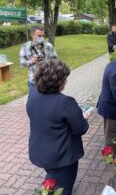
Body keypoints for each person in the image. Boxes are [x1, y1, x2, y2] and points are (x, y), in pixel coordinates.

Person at [26, 59, 89, 195]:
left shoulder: (33, 96)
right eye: (65, 79)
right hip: (62, 156)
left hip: (40, 151)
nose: (66, 82)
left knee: (53, 178)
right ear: (58, 82)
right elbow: (80, 128)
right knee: (63, 189)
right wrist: (83, 118)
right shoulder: (65, 102)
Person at [20, 26, 58, 93]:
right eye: (39, 36)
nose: (42, 38)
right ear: (32, 35)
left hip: (48, 80)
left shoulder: (49, 46)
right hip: (33, 81)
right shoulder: (25, 47)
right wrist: (31, 61)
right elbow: (22, 63)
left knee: (48, 101)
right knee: (34, 101)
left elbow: (56, 60)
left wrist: (48, 62)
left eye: (43, 36)